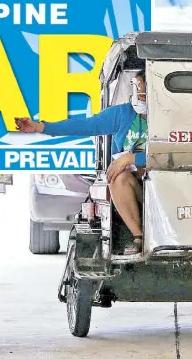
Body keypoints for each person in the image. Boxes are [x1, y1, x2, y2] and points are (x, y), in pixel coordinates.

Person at [16, 68, 148, 255]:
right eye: (137, 88)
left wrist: (132, 157)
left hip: (163, 188)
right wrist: (41, 127)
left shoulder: (173, 116)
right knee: (117, 176)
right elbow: (85, 125)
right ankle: (138, 237)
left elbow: (177, 153)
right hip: (135, 188)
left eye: (143, 91)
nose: (139, 95)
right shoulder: (121, 114)